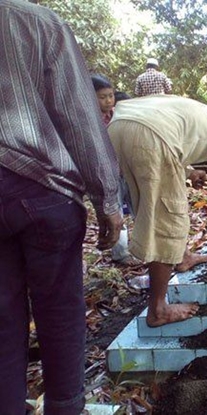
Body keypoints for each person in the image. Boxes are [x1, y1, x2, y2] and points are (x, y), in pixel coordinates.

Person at [0, 1, 123, 414]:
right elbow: (77, 114)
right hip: (43, 188)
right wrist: (107, 199)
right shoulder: (33, 21)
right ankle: (66, 407)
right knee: (60, 314)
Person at [108, 95, 207, 327]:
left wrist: (188, 172)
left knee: (153, 205)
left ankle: (182, 257)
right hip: (153, 136)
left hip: (118, 126)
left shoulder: (202, 115)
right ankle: (158, 309)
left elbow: (169, 135)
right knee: (167, 220)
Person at [92, 75, 142, 267]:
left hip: (127, 170)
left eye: (111, 95)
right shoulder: (91, 121)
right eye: (103, 97)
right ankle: (120, 254)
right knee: (116, 212)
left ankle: (144, 247)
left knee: (139, 207)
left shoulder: (118, 114)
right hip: (107, 175)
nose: (108, 100)